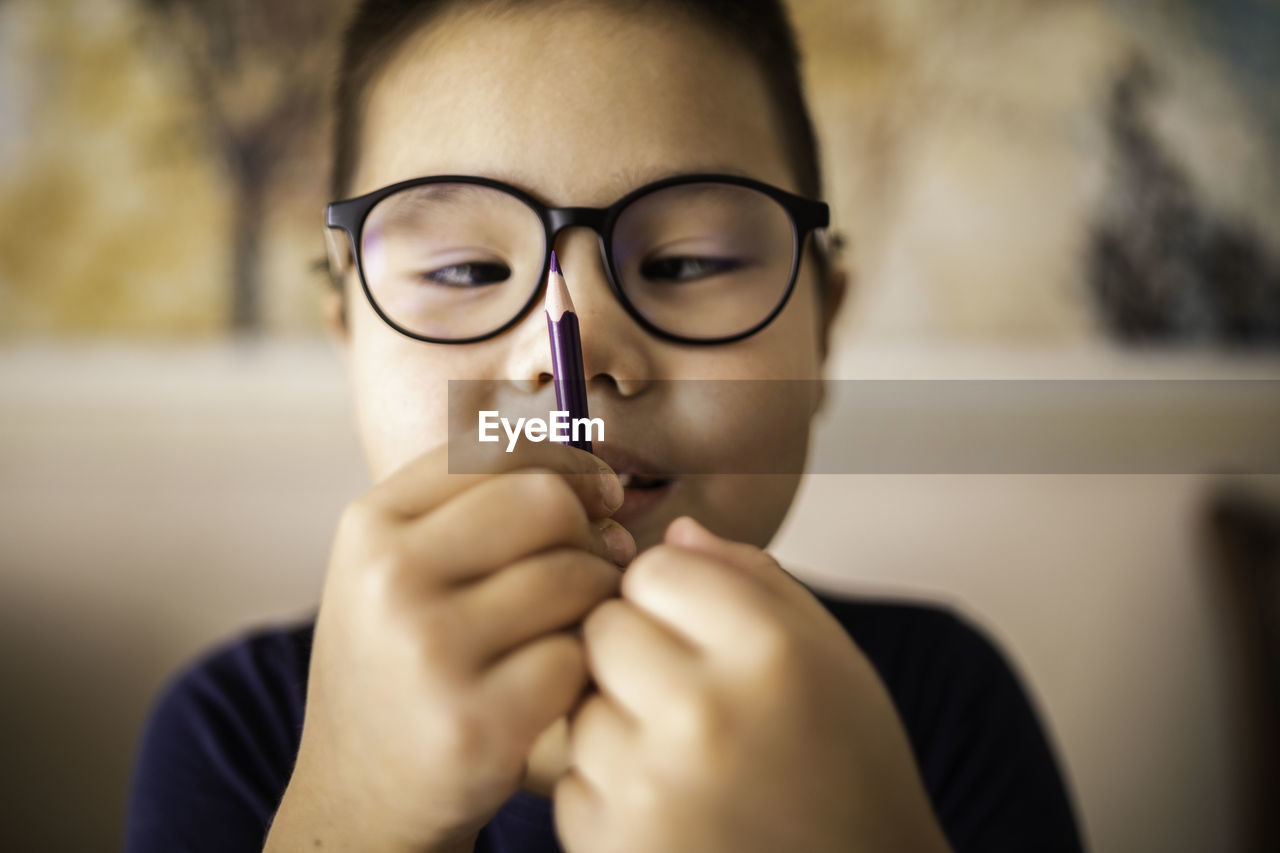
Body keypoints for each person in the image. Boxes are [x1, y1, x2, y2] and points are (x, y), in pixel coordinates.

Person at [124, 1, 1084, 850]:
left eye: (685, 264)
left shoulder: (941, 704)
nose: (570, 356)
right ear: (347, 340)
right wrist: (356, 811)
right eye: (465, 271)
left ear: (824, 328)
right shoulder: (233, 730)